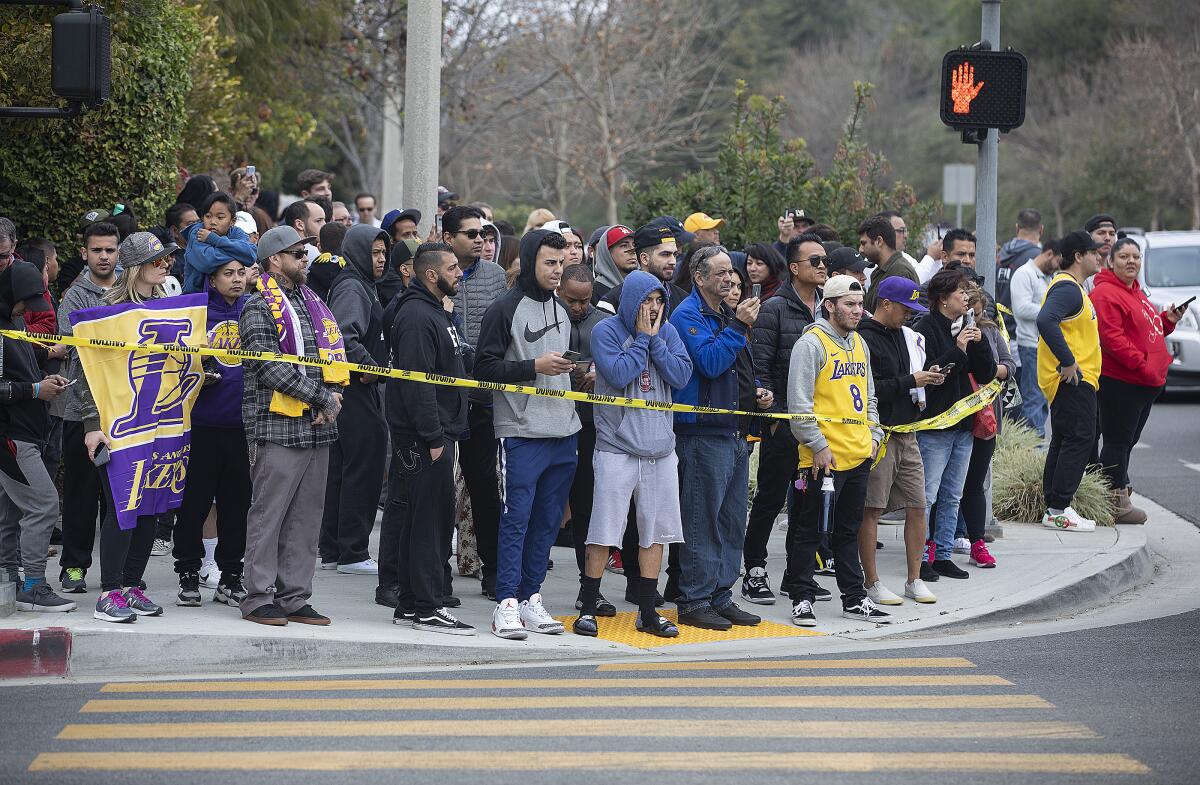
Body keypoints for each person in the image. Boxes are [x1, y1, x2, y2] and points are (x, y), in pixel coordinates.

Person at [474, 229, 580, 639]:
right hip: (520, 432)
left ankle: (531, 598)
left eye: (561, 262)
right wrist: (533, 366)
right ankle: (506, 604)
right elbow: (483, 368)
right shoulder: (505, 308)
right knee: (515, 520)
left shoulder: (560, 307)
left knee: (547, 523)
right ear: (531, 260)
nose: (557, 271)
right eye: (549, 263)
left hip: (564, 429)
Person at [575, 270, 692, 638]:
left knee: (654, 534)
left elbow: (681, 375)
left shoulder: (668, 331)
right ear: (631, 301)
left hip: (660, 449)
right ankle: (589, 606)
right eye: (646, 300)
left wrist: (654, 341)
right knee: (604, 529)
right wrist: (642, 340)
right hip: (617, 447)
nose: (653, 308)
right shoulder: (606, 330)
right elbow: (618, 371)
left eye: (659, 301)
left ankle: (646, 612)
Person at [238, 226, 345, 626]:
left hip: (318, 427)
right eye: (298, 253)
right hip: (276, 427)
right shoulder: (256, 306)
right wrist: (321, 397)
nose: (306, 259)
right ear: (274, 260)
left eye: (306, 253)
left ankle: (294, 596)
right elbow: (270, 367)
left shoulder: (314, 301)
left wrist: (332, 395)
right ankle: (257, 597)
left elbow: (332, 358)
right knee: (269, 515)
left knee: (306, 516)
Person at [80, 233, 181, 622]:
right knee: (123, 506)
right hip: (115, 426)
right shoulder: (108, 310)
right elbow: (88, 373)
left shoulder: (168, 308)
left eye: (168, 260)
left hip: (157, 424)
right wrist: (92, 426)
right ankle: (109, 593)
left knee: (151, 507)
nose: (166, 265)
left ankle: (131, 586)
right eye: (158, 260)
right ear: (138, 266)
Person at [784, 274, 889, 627]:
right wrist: (817, 446)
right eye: (850, 304)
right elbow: (798, 406)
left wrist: (874, 437)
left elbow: (869, 398)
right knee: (809, 532)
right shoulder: (811, 344)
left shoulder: (860, 343)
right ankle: (801, 596)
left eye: (860, 304)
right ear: (829, 305)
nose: (858, 311)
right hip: (821, 459)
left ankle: (854, 598)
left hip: (858, 454)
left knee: (848, 531)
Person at [669, 244, 762, 630]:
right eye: (721, 272)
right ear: (700, 277)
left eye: (732, 271)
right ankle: (694, 599)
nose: (730, 278)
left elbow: (736, 366)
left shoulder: (725, 312)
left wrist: (756, 390)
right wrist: (739, 326)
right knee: (701, 519)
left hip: (735, 430)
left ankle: (721, 595)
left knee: (730, 520)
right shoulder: (687, 315)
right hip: (701, 432)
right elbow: (708, 363)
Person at [386, 242, 474, 635]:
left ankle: (409, 603)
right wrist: (434, 437)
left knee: (421, 519)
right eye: (453, 268)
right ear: (431, 275)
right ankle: (427, 606)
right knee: (431, 524)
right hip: (425, 438)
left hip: (434, 434)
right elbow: (416, 384)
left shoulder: (436, 311)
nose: (460, 273)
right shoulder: (418, 316)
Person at [742, 232, 827, 605]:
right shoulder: (774, 308)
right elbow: (759, 366)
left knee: (806, 502)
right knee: (770, 498)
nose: (822, 266)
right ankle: (755, 570)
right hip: (782, 425)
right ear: (794, 268)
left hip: (820, 426)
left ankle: (798, 576)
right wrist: (773, 419)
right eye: (814, 261)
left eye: (824, 260)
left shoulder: (829, 308)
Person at [857, 277, 943, 605]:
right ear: (886, 303)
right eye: (906, 308)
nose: (909, 315)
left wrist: (926, 377)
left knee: (919, 506)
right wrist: (912, 380)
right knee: (872, 508)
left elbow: (903, 381)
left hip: (908, 432)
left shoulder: (903, 335)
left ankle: (914, 579)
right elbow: (869, 389)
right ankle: (872, 582)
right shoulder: (864, 337)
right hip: (880, 434)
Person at [1091, 237, 1189, 524]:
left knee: (1126, 441)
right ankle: (1115, 502)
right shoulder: (1106, 293)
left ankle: (1117, 492)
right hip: (1122, 381)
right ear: (1111, 262)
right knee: (1117, 441)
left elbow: (1146, 330)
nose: (1131, 261)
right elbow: (1112, 340)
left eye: (1136, 256)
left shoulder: (1134, 292)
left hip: (1142, 383)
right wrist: (1144, 367)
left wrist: (1167, 320)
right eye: (1124, 257)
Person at [173, 258, 253, 608]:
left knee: (237, 507)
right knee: (193, 505)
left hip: (243, 427)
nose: (236, 280)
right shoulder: (194, 312)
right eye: (228, 274)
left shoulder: (255, 310)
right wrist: (196, 374)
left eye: (241, 273)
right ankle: (189, 573)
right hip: (200, 426)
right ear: (212, 278)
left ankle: (231, 577)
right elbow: (172, 363)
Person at [0, 261, 75, 612]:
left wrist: (46, 379)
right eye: (25, 302)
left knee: (11, 511)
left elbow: (23, 362)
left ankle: (9, 580)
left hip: (25, 431)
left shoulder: (13, 322)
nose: (28, 310)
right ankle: (32, 585)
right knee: (44, 505)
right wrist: (34, 389)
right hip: (11, 435)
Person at [441, 205, 507, 600]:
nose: (480, 239)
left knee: (485, 486)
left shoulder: (496, 277)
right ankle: (435, 574)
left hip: (483, 398)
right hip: (442, 399)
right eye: (470, 233)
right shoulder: (432, 271)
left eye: (482, 233)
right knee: (435, 492)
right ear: (448, 238)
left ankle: (494, 571)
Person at [913, 267, 997, 578]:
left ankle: (943, 554)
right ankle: (920, 556)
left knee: (953, 494)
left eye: (967, 292)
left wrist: (979, 343)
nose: (966, 297)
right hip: (934, 427)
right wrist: (959, 348)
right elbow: (933, 375)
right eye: (960, 292)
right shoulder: (924, 328)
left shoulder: (966, 325)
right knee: (927, 495)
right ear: (942, 299)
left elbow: (986, 374)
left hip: (963, 427)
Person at [320, 225, 390, 575]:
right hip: (357, 390)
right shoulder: (353, 286)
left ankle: (335, 549)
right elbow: (344, 336)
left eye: (383, 253)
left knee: (343, 470)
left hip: (355, 390)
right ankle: (353, 552)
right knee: (362, 469)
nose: (381, 260)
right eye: (375, 253)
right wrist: (370, 367)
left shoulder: (363, 284)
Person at [54, 222, 118, 593]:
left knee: (120, 496)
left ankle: (118, 570)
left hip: (123, 411)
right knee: (80, 494)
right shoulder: (74, 296)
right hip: (80, 410)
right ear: (85, 253)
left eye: (110, 250)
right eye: (97, 250)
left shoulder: (130, 288)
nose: (104, 256)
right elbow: (70, 345)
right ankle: (74, 566)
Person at [1036, 231, 1105, 532]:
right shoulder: (1068, 289)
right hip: (1073, 379)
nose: (1099, 256)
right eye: (1094, 251)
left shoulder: (1073, 288)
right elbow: (1044, 320)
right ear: (1078, 256)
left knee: (1065, 440)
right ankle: (1058, 508)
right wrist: (1067, 360)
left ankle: (1054, 505)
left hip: (1072, 380)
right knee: (1079, 438)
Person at [557, 264, 616, 615]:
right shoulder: (549, 316)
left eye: (585, 300)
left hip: (592, 425)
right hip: (551, 423)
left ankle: (588, 586)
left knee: (587, 509)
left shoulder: (603, 323)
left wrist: (599, 373)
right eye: (571, 300)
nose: (578, 307)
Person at [956, 283, 1012, 568]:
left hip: (984, 418)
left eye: (977, 315)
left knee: (974, 483)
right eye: (968, 315)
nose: (972, 322)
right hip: (952, 419)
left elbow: (1008, 364)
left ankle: (976, 542)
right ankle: (938, 542)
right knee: (944, 486)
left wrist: (995, 371)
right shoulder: (943, 329)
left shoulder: (989, 330)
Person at [1009, 239, 1061, 437]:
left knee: (1042, 399)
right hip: (1030, 345)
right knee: (1033, 398)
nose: (1058, 267)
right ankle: (1033, 446)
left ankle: (1036, 441)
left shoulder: (1047, 276)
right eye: (1058, 261)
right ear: (1049, 254)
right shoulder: (1024, 274)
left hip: (1046, 346)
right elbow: (1021, 309)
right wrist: (1053, 312)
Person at [600, 225, 689, 316]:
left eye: (675, 255)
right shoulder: (612, 301)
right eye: (665, 254)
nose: (673, 261)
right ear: (644, 259)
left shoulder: (684, 299)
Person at [180, 192, 257, 293]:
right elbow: (207, 262)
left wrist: (215, 240)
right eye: (208, 216)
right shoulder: (197, 233)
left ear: (232, 221)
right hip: (197, 300)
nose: (213, 222)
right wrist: (239, 253)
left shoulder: (237, 232)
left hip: (227, 299)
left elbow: (251, 255)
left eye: (220, 217)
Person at [997, 209, 1043, 336]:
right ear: (1041, 229)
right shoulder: (1039, 259)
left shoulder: (1000, 254)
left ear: (1017, 228)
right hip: (1025, 334)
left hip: (1000, 332)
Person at [859, 215, 918, 312]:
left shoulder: (901, 272)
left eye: (864, 243)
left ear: (879, 241)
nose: (860, 249)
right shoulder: (879, 272)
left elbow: (904, 316)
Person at [590, 224, 636, 305]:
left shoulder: (642, 286)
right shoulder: (593, 292)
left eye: (634, 245)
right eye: (624, 245)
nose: (632, 251)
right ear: (607, 253)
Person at [281, 199, 328, 263]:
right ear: (299, 225)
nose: (325, 225)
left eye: (324, 220)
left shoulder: (282, 251)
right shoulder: (316, 255)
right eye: (318, 221)